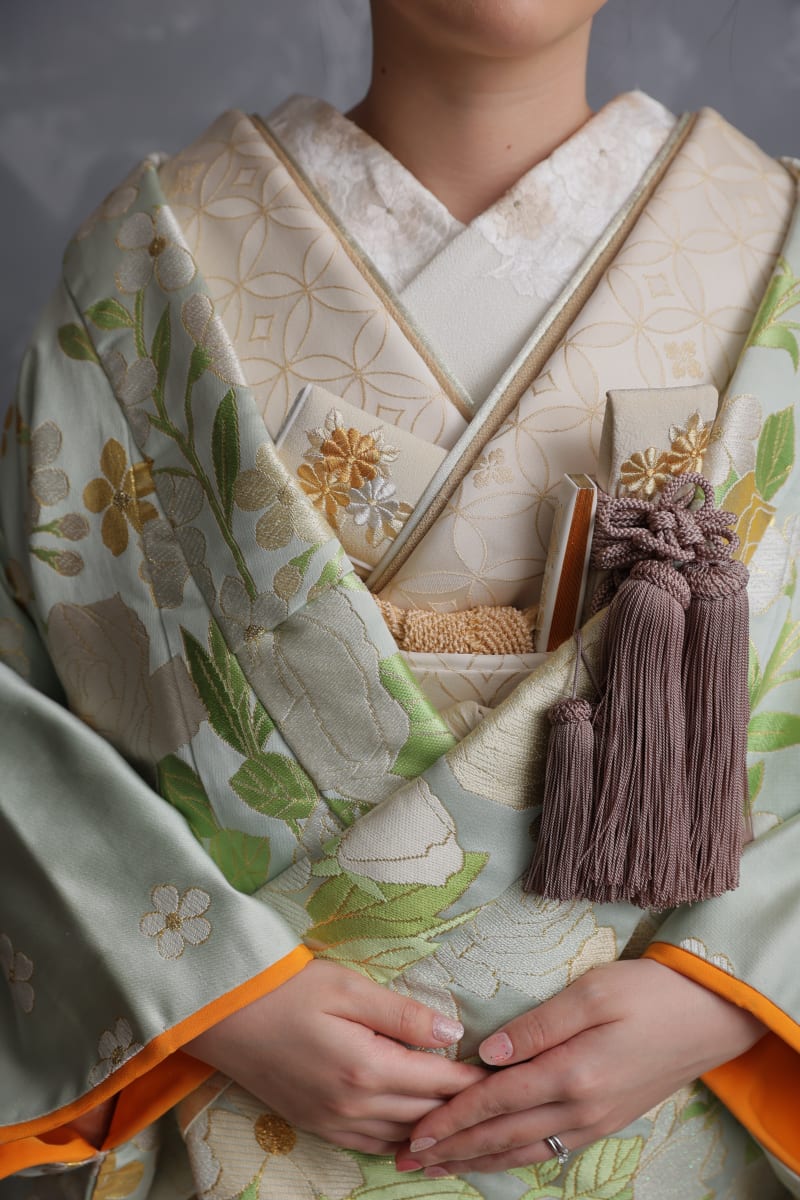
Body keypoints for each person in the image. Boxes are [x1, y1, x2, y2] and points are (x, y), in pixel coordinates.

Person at [1, 2, 799, 1198]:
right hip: (233, 1109)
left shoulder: (773, 239)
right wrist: (213, 994)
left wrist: (730, 991)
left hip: (675, 1135)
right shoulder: (138, 262)